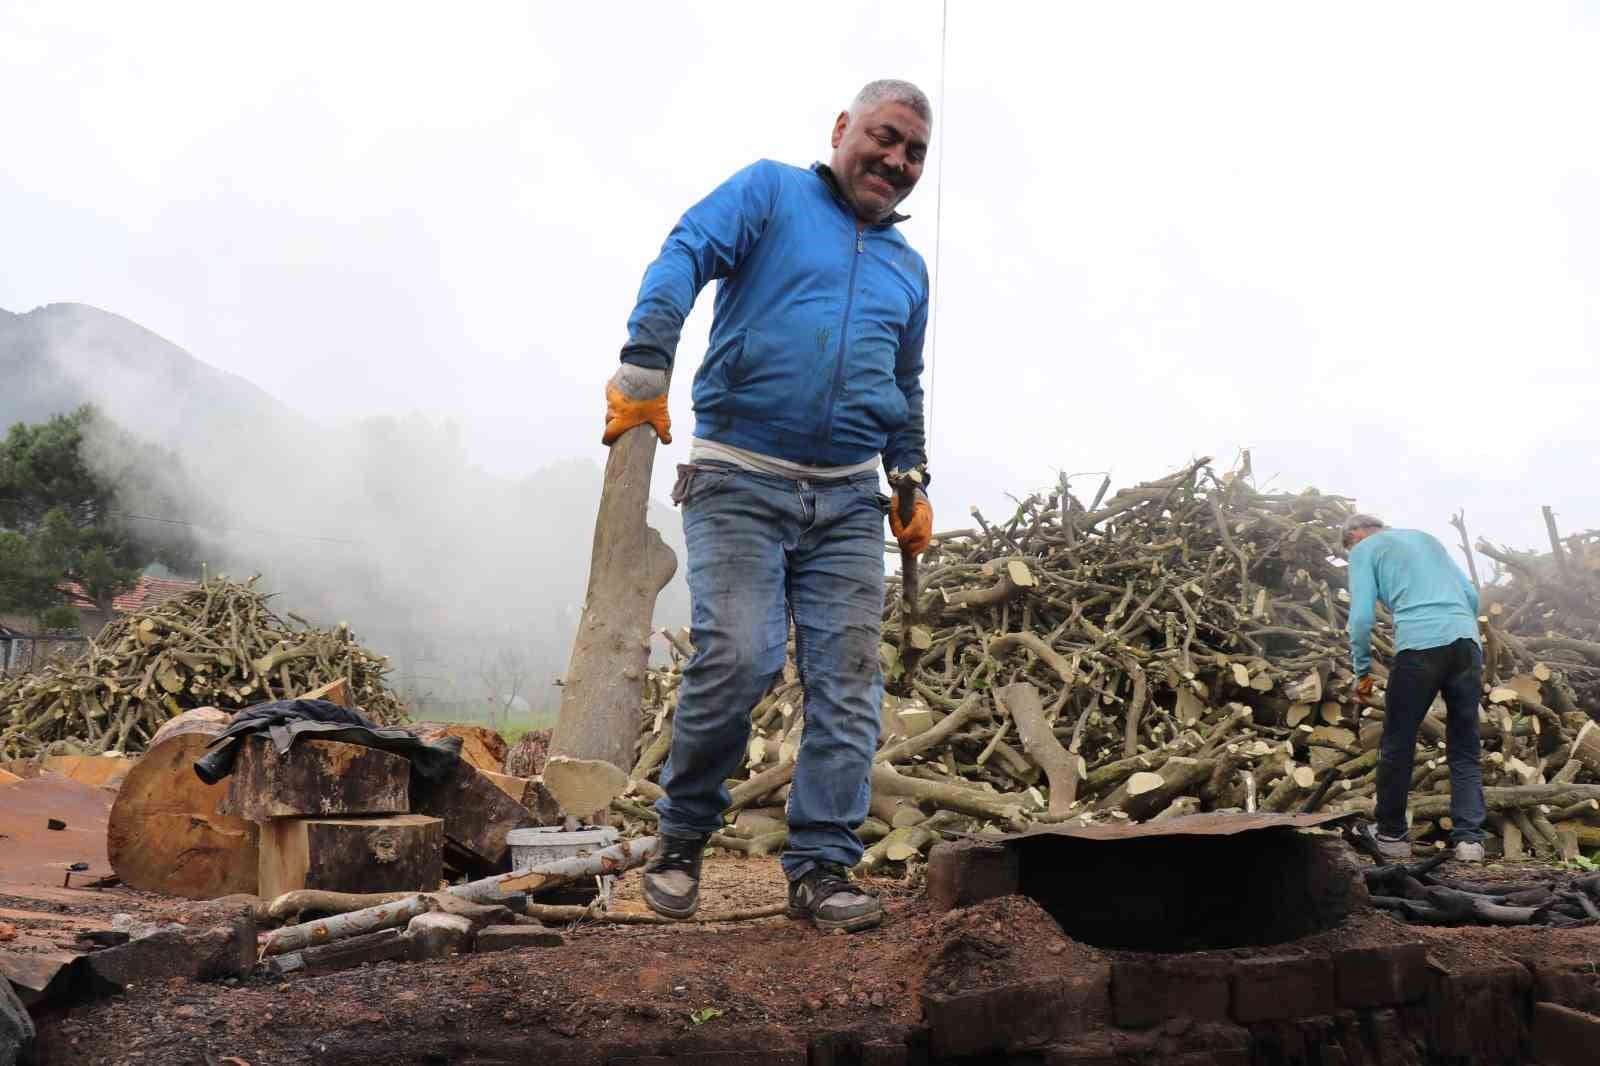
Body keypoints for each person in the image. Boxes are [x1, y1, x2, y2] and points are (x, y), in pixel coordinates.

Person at [601, 79, 936, 932]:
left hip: (850, 499)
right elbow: (686, 249)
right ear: (841, 129)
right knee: (741, 656)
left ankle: (822, 869)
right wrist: (647, 356)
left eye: (914, 155)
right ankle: (681, 839)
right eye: (886, 138)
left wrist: (911, 473)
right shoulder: (770, 193)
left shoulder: (907, 268)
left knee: (851, 683)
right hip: (738, 478)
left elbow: (904, 380)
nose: (896, 162)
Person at [1343, 514, 1487, 863]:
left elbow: (1361, 619)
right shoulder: (1427, 538)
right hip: (1466, 643)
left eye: (1349, 550)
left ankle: (1392, 834)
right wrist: (1460, 629)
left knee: (1398, 741)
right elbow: (1470, 594)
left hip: (1420, 646)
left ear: (1355, 537)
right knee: (1465, 743)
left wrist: (1362, 671)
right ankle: (1470, 841)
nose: (1351, 556)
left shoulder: (1365, 550)